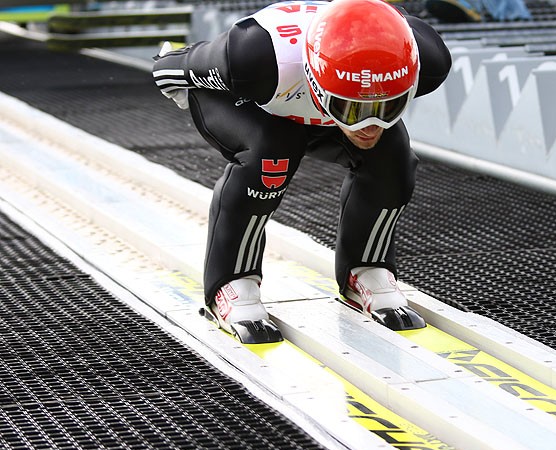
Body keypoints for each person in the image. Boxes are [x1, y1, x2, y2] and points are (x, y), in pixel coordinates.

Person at [152, 0, 452, 343]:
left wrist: (354, 109)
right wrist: (169, 73)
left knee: (393, 155)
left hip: (320, 101)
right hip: (263, 96)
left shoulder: (428, 60)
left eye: (388, 105)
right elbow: (177, 64)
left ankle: (366, 268)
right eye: (354, 109)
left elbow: (370, 106)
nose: (369, 125)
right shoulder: (254, 58)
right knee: (272, 153)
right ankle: (232, 282)